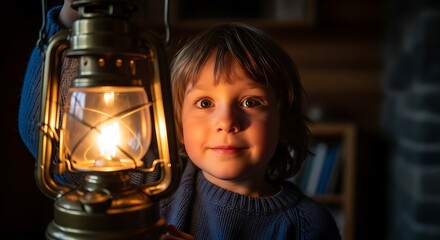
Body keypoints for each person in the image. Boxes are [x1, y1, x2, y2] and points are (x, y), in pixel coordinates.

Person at [18, 1, 341, 239]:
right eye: (204, 102)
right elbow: (46, 135)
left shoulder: (307, 225)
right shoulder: (152, 185)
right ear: (176, 123)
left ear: (284, 121)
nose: (226, 121)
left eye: (250, 102)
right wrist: (71, 17)